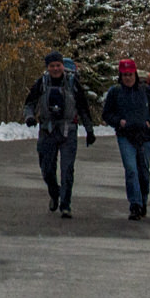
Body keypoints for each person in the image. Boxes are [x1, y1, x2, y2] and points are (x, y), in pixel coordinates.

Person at [22, 50, 96, 217]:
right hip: (47, 130)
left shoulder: (72, 83)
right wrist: (29, 117)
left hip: (68, 130)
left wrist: (89, 130)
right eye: (52, 66)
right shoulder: (41, 83)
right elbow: (30, 104)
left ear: (63, 66)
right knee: (47, 169)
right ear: (47, 67)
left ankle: (65, 204)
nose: (56, 68)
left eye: (58, 65)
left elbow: (83, 108)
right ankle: (55, 193)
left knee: (67, 168)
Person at [101, 57, 150, 220]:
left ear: (135, 74)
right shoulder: (115, 92)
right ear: (120, 76)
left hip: (145, 137)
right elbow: (107, 114)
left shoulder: (146, 91)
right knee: (131, 170)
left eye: (130, 74)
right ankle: (135, 205)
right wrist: (118, 122)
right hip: (125, 137)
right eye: (124, 75)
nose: (128, 78)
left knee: (143, 172)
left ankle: (143, 201)